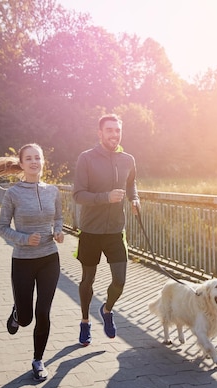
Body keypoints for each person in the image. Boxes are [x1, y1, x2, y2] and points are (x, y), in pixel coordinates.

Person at [0, 143, 64, 382]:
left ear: (43, 162)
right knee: (26, 318)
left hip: (49, 259)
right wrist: (24, 239)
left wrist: (59, 231)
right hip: (23, 261)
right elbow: (1, 228)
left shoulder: (53, 191)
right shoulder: (13, 193)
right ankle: (16, 315)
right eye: (29, 158)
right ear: (21, 164)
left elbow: (59, 217)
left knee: (43, 312)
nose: (34, 162)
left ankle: (38, 360)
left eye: (37, 158)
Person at [73, 114, 140, 346]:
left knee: (119, 281)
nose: (114, 134)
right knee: (87, 280)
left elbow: (131, 183)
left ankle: (107, 309)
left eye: (117, 130)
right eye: (109, 130)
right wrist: (106, 198)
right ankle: (84, 322)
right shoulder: (86, 159)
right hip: (90, 231)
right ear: (100, 133)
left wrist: (134, 199)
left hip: (115, 231)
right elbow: (78, 195)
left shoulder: (128, 159)